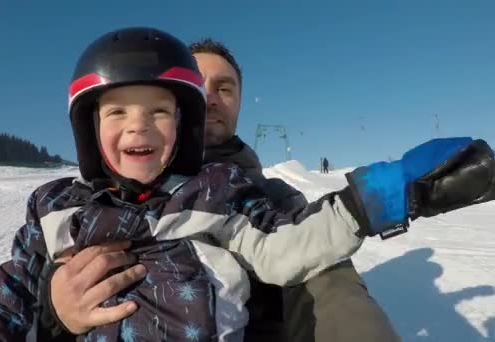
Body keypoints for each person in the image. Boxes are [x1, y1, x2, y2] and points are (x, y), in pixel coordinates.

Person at [34, 36, 495, 342]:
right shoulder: (81, 203)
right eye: (197, 84)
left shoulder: (270, 194)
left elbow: (322, 279)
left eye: (226, 88)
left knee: (325, 266)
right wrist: (53, 312)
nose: (211, 97)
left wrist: (390, 193)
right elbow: (18, 296)